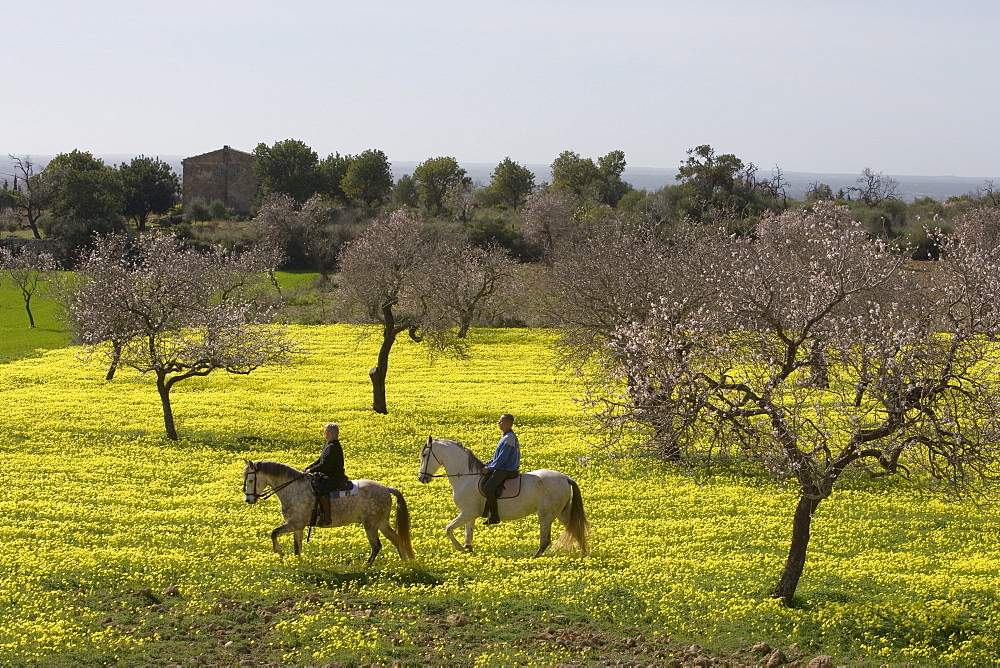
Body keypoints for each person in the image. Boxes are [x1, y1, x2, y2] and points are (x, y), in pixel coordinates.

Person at [304, 423, 349, 526]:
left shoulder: (334, 446)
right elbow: (320, 460)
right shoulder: (328, 444)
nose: (324, 433)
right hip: (327, 474)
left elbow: (325, 464)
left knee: (322, 491)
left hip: (334, 476)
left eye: (326, 431)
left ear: (332, 433)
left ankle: (327, 518)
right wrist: (310, 466)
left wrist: (311, 470)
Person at [482, 413, 520, 526]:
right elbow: (499, 457)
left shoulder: (508, 438)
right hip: (504, 466)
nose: (499, 423)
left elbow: (502, 459)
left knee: (488, 488)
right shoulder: (507, 436)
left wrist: (489, 468)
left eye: (501, 421)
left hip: (506, 469)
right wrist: (491, 462)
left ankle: (494, 517)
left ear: (508, 423)